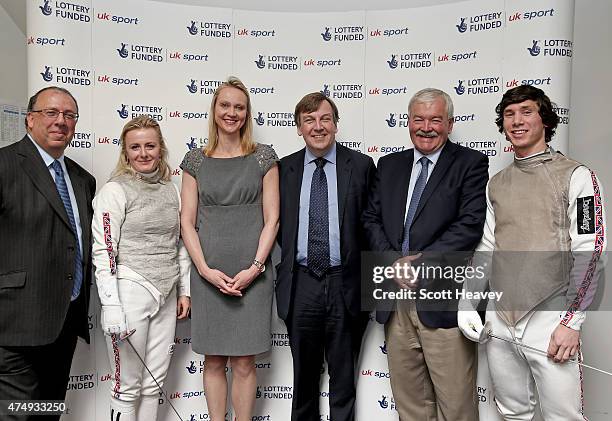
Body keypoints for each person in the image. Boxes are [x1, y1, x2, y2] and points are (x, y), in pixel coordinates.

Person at [458, 85, 607, 420]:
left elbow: (590, 251)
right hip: (500, 316)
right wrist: (468, 302)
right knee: (512, 412)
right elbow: (487, 247)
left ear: (545, 120)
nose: (517, 120)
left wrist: (572, 320)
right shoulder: (496, 183)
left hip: (551, 316)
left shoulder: (576, 176)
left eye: (526, 112)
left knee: (562, 417)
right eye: (509, 114)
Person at [363, 88, 488, 420]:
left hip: (443, 301)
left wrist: (420, 266)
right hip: (395, 300)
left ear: (450, 123)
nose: (426, 127)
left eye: (435, 119)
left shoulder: (470, 163)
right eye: (419, 119)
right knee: (411, 406)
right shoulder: (389, 165)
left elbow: (470, 225)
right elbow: (371, 219)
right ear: (408, 121)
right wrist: (393, 262)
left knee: (457, 406)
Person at [180, 76, 279, 421]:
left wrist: (255, 268)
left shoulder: (263, 157)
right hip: (208, 275)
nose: (231, 112)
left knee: (244, 360)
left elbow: (273, 219)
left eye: (239, 107)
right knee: (214, 359)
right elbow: (187, 222)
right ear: (214, 109)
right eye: (225, 105)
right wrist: (205, 271)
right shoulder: (194, 161)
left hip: (254, 273)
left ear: (247, 113)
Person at [276, 92, 376, 421]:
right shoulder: (284, 169)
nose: (318, 127)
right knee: (303, 378)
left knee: (343, 379)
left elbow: (371, 222)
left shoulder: (361, 166)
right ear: (298, 127)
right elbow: (275, 225)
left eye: (325, 119)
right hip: (301, 282)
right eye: (309, 120)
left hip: (345, 282)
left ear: (335, 124)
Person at [0, 86, 96, 421]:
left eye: (69, 115)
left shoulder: (83, 180)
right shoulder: (4, 165)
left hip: (64, 324)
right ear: (29, 120)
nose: (61, 121)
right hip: (14, 326)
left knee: (47, 412)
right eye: (51, 113)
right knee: (17, 415)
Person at [91, 115, 191, 421]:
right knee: (126, 386)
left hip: (166, 294)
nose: (143, 153)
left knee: (154, 384)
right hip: (130, 291)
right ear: (125, 152)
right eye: (135, 147)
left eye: (150, 146)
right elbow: (104, 250)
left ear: (160, 149)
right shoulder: (114, 191)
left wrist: (184, 290)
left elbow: (181, 243)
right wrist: (111, 306)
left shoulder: (172, 190)